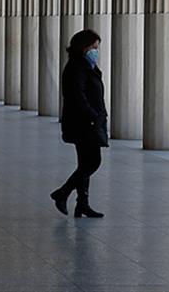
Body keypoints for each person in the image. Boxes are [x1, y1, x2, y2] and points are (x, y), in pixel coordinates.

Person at [50, 29, 108, 218]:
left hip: (86, 122)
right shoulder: (77, 68)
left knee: (84, 163)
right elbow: (78, 97)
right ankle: (62, 193)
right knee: (93, 162)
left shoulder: (86, 66)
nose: (96, 52)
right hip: (84, 123)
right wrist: (93, 116)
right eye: (93, 48)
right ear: (83, 47)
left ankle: (82, 204)